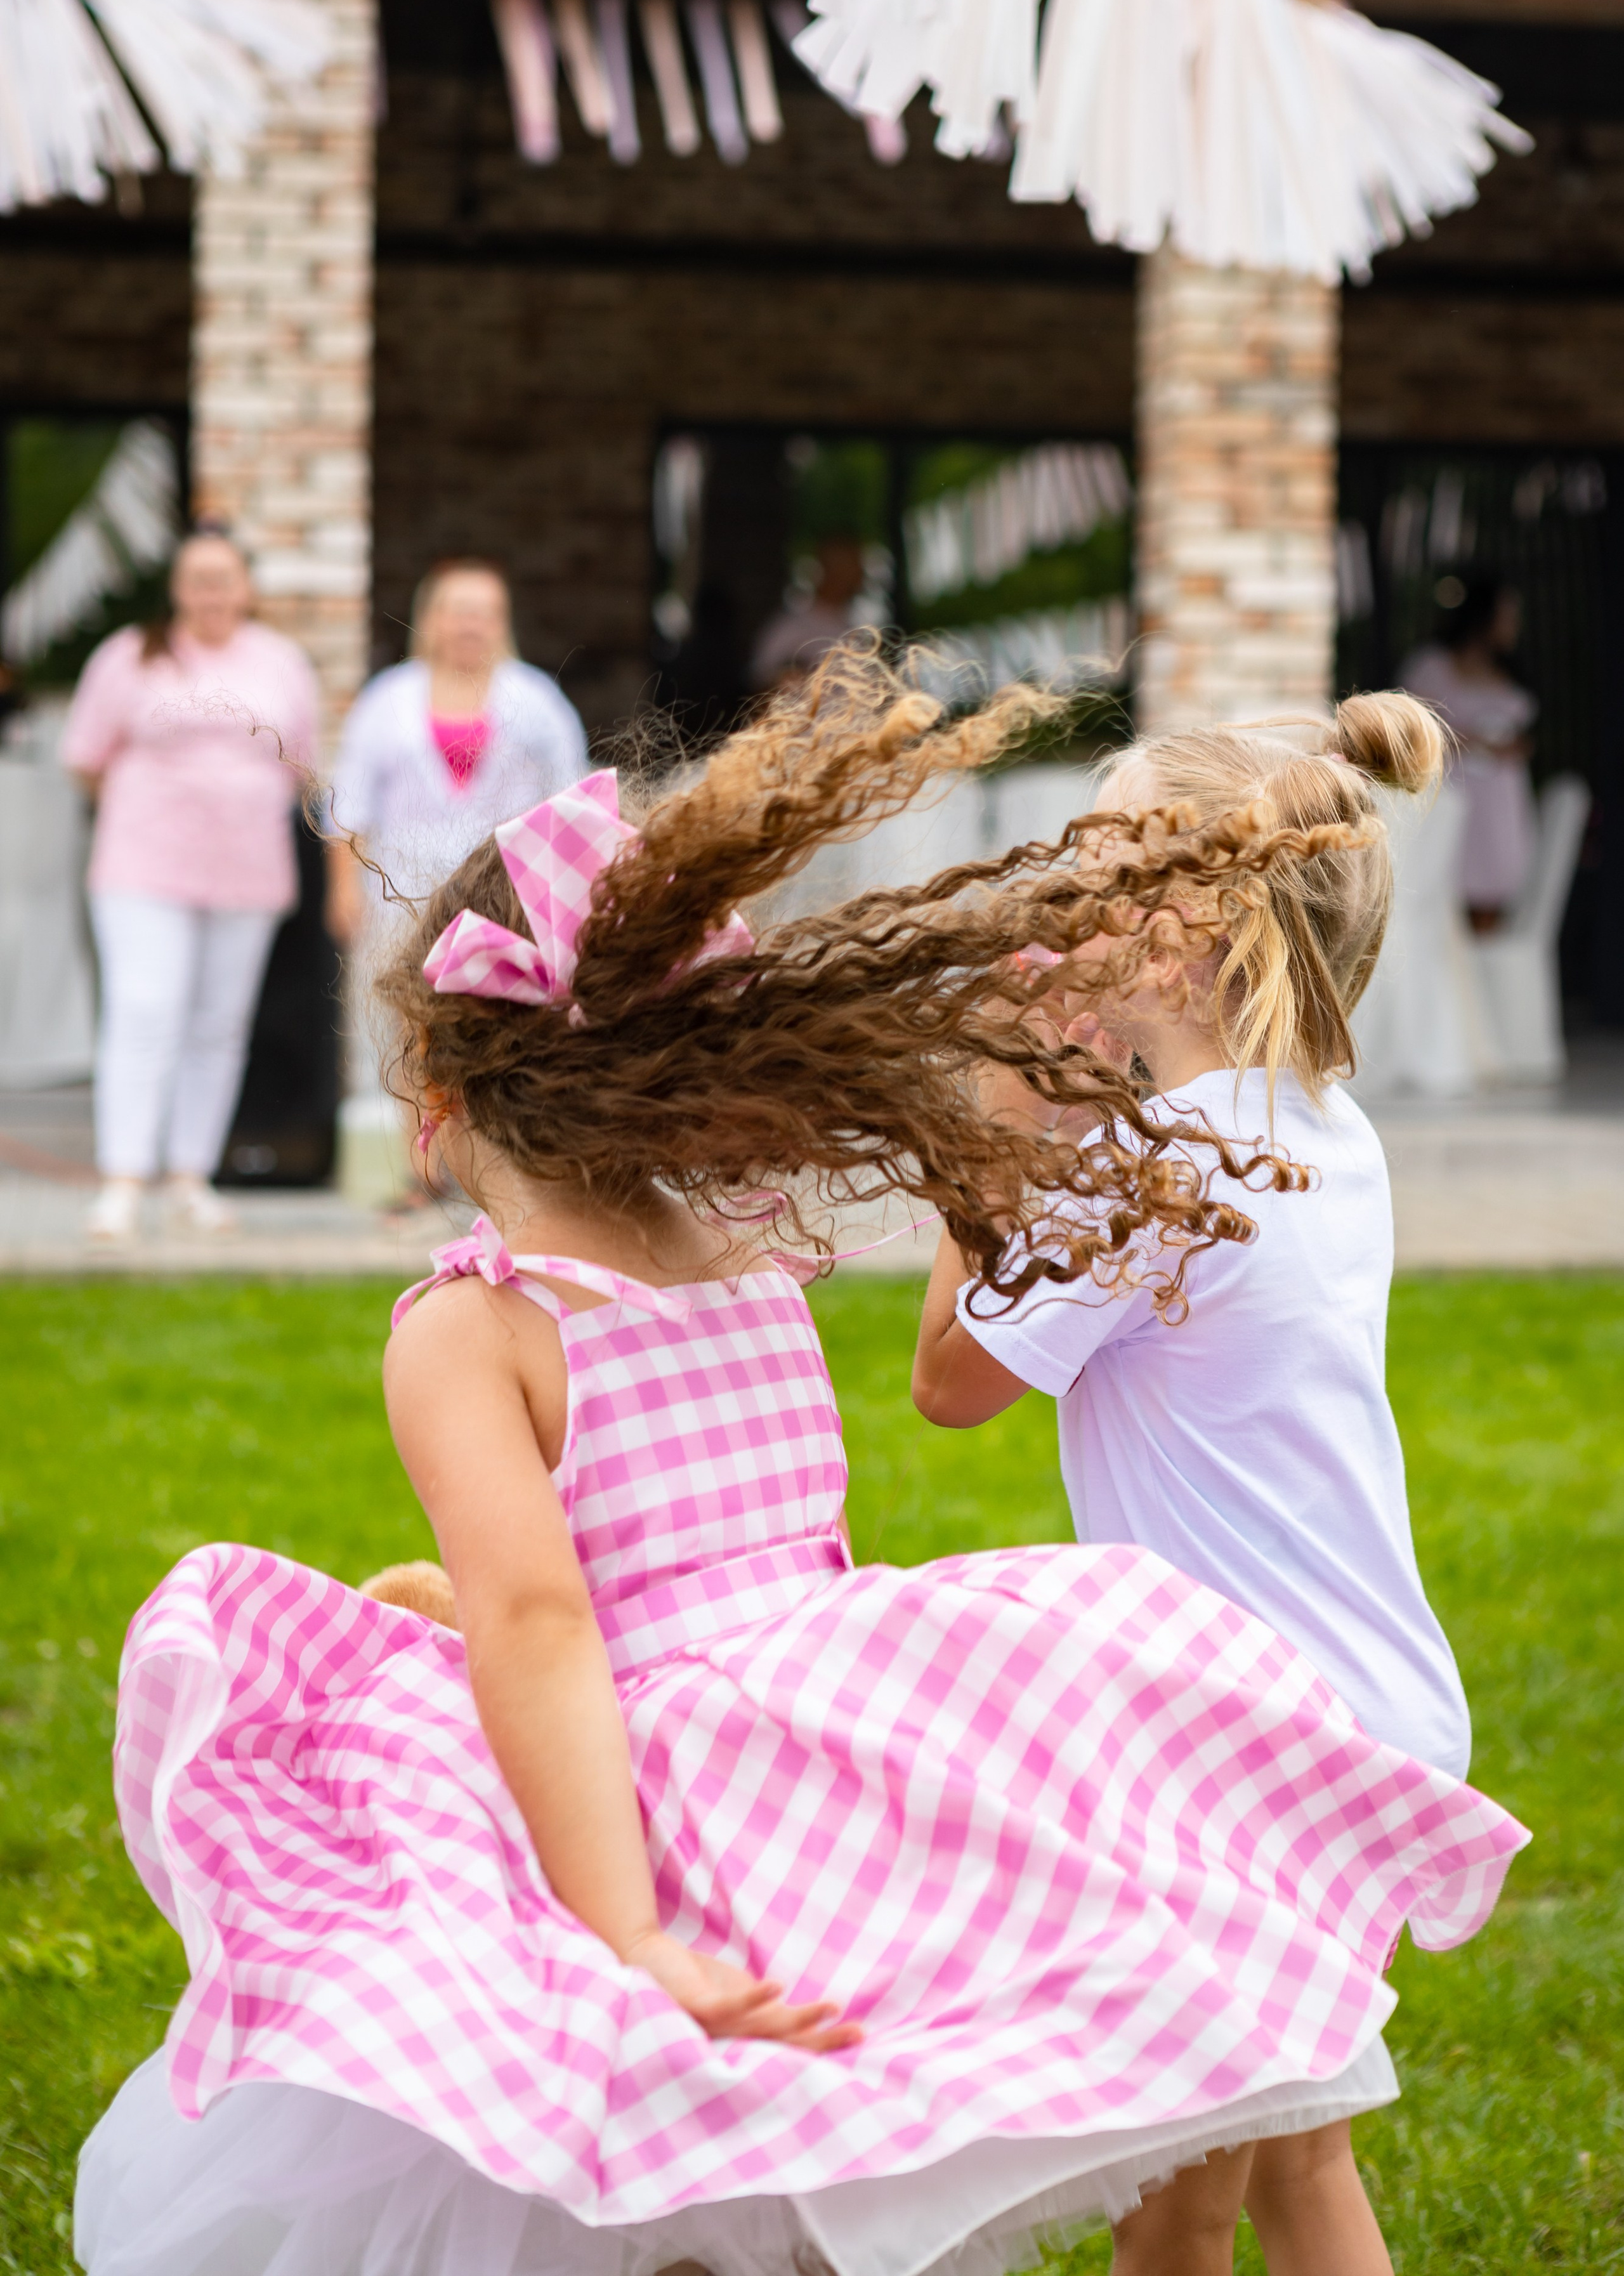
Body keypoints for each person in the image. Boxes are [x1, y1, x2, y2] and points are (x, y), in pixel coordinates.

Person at [77, 661, 1526, 2276]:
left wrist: (624, 1930)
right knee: (1016, 2164)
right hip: (845, 1752)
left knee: (684, 2183)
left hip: (688, 1791)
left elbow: (555, 1618)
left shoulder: (473, 1328)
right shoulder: (754, 1275)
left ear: (438, 1096)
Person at [912, 690, 1477, 2272]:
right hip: (1352, 1700)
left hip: (1247, 1741)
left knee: (1226, 2179)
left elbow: (949, 1383)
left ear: (1179, 940)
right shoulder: (1312, 1126)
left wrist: (992, 1124)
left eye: (1091, 871)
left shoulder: (1156, 1167)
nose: (1052, 900)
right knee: (1243, 2162)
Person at [60, 525, 318, 1243]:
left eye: (223, 579)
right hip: (143, 867)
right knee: (145, 1011)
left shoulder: (281, 662)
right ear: (176, 588)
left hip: (247, 871)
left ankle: (189, 1177)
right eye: (197, 579)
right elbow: (85, 758)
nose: (211, 593)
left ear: (247, 588)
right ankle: (122, 1182)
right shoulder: (128, 656)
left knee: (220, 1024)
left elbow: (304, 764)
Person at [326, 558, 589, 938]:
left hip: (508, 899)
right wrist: (344, 888)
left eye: (486, 613)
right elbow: (349, 801)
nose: (472, 625)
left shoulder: (540, 700)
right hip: (399, 898)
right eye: (460, 612)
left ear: (503, 623)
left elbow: (571, 796)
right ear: (430, 618)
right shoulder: (385, 698)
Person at [1401, 574, 1537, 932]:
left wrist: (1515, 748)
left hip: (1499, 808)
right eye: (1507, 616)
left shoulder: (1510, 674)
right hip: (1448, 796)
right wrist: (1472, 741)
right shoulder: (1432, 667)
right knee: (1438, 905)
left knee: (1490, 910)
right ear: (1483, 616)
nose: (1514, 625)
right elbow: (1409, 732)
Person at [749, 533, 868, 690]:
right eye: (854, 565)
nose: (862, 574)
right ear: (833, 569)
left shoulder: (854, 631)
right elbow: (761, 682)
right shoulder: (791, 627)